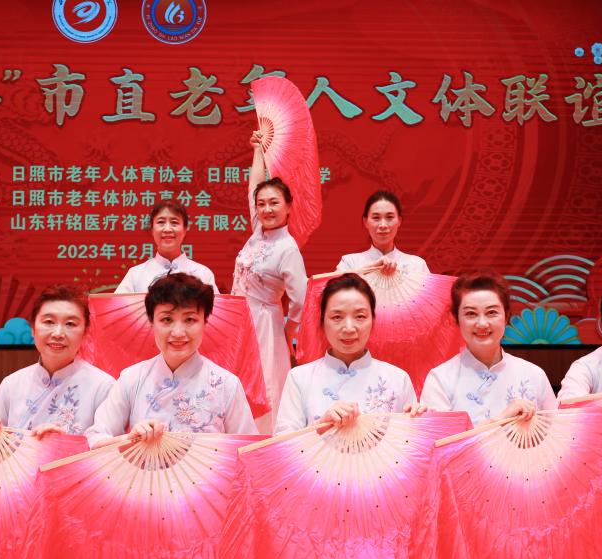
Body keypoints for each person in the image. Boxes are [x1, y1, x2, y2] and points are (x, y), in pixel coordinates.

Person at [86, 273, 258, 447]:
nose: (178, 332)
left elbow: (248, 450)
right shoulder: (131, 378)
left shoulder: (227, 384)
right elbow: (95, 438)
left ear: (205, 321)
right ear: (152, 322)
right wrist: (130, 439)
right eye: (167, 319)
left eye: (190, 319)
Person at [275, 273, 423, 434]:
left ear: (373, 320)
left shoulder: (398, 379)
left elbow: (411, 443)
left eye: (360, 316)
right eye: (337, 317)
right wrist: (320, 427)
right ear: (322, 321)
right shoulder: (299, 378)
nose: (349, 328)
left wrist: (418, 423)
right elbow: (282, 444)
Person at [232, 130, 308, 427]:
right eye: (261, 204)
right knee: (238, 382)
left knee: (265, 384)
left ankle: (264, 442)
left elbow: (300, 299)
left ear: (288, 207)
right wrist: (258, 151)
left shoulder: (287, 248)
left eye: (274, 203)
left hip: (266, 325)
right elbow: (254, 187)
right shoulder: (258, 232)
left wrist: (287, 331)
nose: (266, 209)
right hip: (240, 321)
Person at [0, 285, 115, 438]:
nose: (58, 333)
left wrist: (66, 443)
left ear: (85, 332)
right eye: (49, 322)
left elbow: (107, 448)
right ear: (33, 329)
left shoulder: (103, 387)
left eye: (70, 324)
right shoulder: (12, 384)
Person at [421, 271, 556, 426]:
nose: (482, 324)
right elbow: (443, 440)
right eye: (471, 313)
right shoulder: (440, 379)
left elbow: (558, 433)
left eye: (491, 312)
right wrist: (501, 419)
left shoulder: (534, 375)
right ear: (457, 319)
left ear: (506, 316)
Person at [114, 200, 218, 293]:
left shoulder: (203, 274)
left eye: (174, 222)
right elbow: (118, 306)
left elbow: (216, 307)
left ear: (185, 229)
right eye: (161, 222)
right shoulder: (135, 274)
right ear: (152, 229)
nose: (167, 229)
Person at [336, 191, 429, 275]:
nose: (383, 225)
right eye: (376, 218)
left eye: (389, 217)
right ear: (365, 222)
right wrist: (366, 271)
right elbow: (334, 288)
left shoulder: (417, 265)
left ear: (399, 221)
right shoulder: (349, 263)